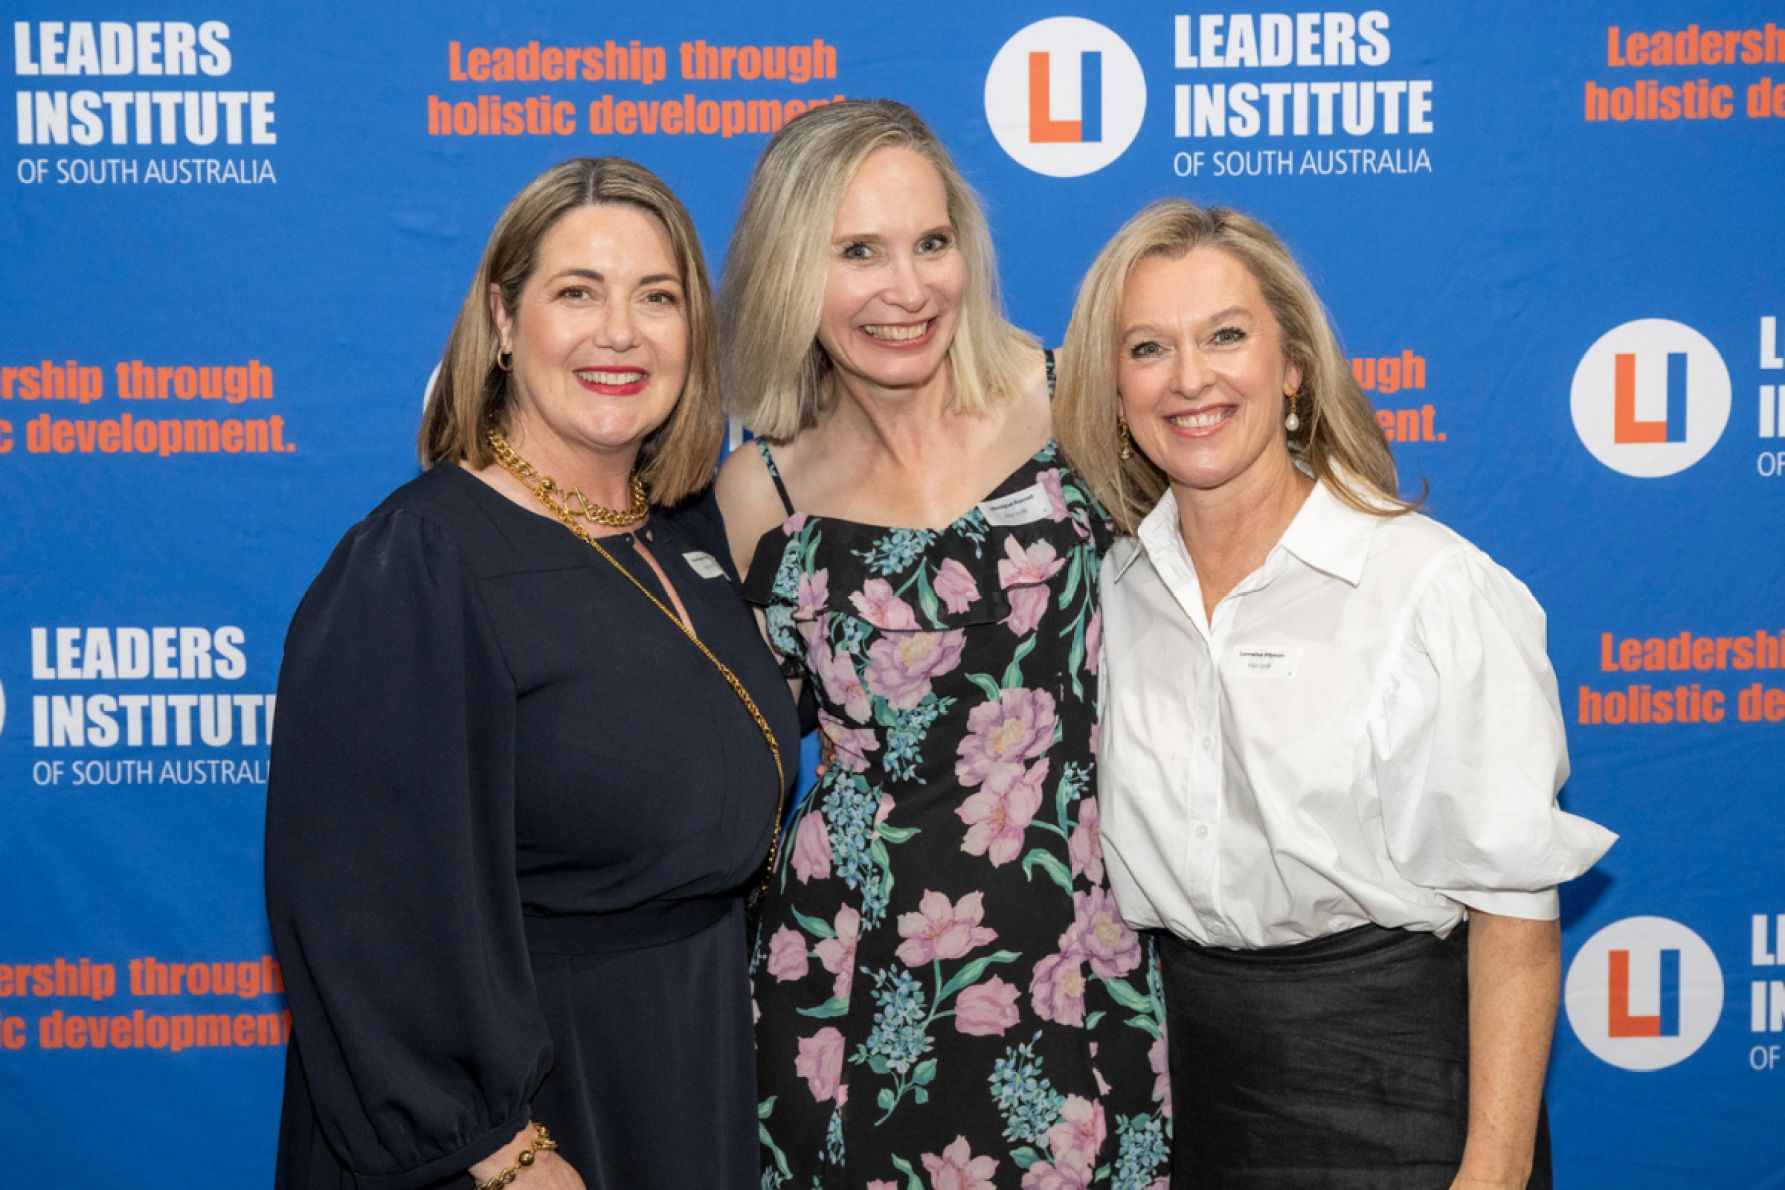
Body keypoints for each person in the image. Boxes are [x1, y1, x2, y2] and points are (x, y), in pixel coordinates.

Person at [1054, 198, 1617, 1189]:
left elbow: (1516, 921)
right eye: (1149, 348)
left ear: (1295, 366)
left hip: (1408, 1114)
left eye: (1227, 335)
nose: (1191, 377)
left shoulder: (1432, 589)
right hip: (1196, 1110)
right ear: (1112, 389)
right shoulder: (1113, 597)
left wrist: (1489, 1169)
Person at [264, 157, 800, 1190]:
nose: (620, 331)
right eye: (576, 292)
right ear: (504, 322)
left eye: (658, 296)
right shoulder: (420, 560)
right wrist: (498, 1152)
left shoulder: (685, 536)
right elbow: (360, 909)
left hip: (682, 1071)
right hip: (524, 1122)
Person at [715, 100, 1171, 1189]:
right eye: (858, 251)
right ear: (789, 269)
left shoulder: (1085, 405)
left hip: (1084, 951)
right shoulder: (755, 489)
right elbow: (723, 758)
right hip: (842, 975)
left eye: (931, 242)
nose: (907, 288)